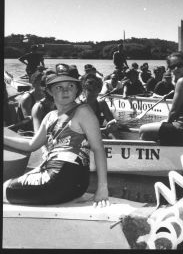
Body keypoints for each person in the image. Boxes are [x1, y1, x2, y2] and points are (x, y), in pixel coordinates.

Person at [3, 72, 109, 206]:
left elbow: (98, 149)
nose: (66, 90)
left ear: (77, 90)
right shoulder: (50, 116)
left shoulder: (83, 111)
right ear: (49, 91)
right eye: (59, 87)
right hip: (63, 180)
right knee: (7, 184)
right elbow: (31, 145)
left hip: (63, 178)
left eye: (70, 86)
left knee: (4, 189)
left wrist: (102, 188)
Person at [139, 52, 183, 146]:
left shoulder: (182, 81)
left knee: (142, 130)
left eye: (179, 65)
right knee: (160, 124)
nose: (176, 69)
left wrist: (166, 127)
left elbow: (174, 111)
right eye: (172, 67)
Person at [80, 74, 118, 139]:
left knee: (112, 134)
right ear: (84, 90)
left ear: (99, 90)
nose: (92, 93)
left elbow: (112, 122)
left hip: (96, 136)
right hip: (80, 138)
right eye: (89, 90)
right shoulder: (78, 105)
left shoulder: (101, 104)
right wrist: (104, 130)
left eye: (95, 90)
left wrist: (114, 126)